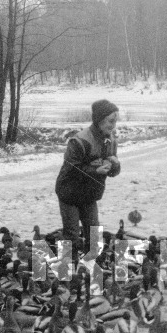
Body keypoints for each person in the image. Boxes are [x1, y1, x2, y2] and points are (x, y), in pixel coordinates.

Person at [55, 100, 122, 259]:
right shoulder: (79, 140)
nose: (113, 125)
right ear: (99, 120)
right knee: (71, 235)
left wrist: (115, 166)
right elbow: (72, 169)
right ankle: (66, 273)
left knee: (94, 235)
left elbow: (112, 172)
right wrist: (95, 170)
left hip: (89, 195)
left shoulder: (110, 141)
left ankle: (91, 270)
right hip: (69, 193)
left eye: (115, 121)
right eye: (110, 121)